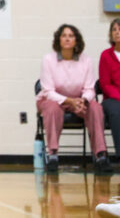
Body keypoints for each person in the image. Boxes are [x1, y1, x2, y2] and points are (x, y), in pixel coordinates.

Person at [38, 23, 111, 174]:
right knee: (51, 108)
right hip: (54, 100)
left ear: (76, 40)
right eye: (64, 36)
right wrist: (70, 101)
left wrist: (83, 100)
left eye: (71, 36)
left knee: (96, 108)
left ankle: (100, 156)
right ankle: (53, 155)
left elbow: (90, 88)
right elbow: (48, 91)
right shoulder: (48, 59)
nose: (67, 39)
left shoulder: (86, 60)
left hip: (79, 100)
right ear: (58, 39)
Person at [99, 19, 120, 160]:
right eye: (114, 30)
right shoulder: (106, 55)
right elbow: (105, 84)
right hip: (111, 99)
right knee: (117, 111)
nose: (117, 32)